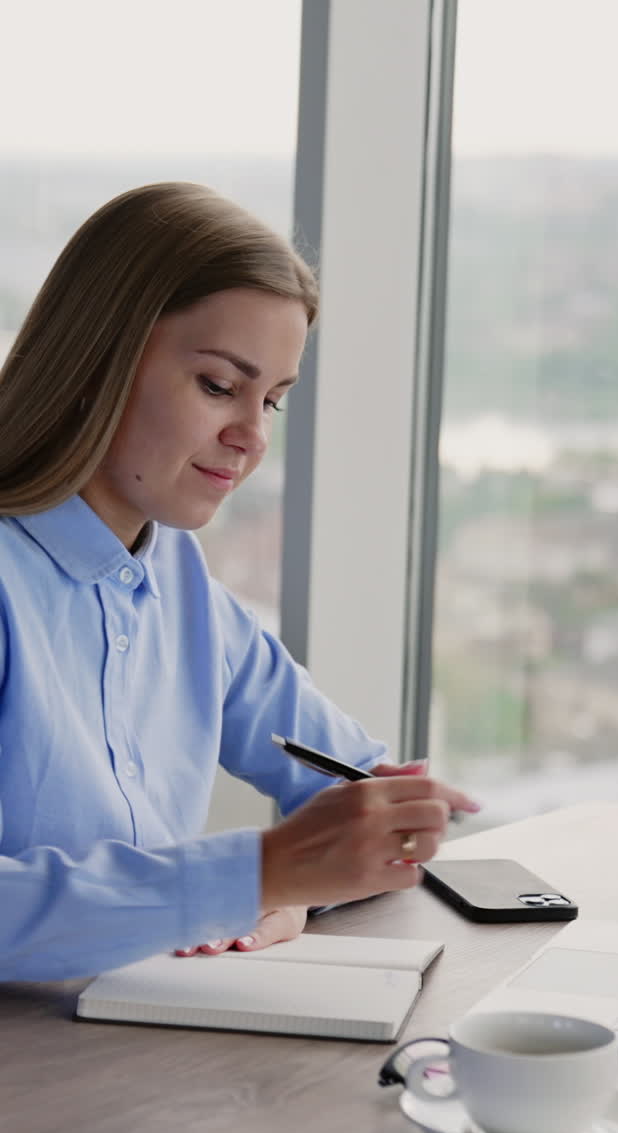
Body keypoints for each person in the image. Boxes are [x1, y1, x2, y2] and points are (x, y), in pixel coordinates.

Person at [0, 182, 479, 982]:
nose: (251, 436)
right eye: (220, 386)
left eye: (274, 401)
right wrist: (256, 875)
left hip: (140, 1047)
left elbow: (376, 795)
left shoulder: (177, 579)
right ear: (97, 363)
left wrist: (291, 893)